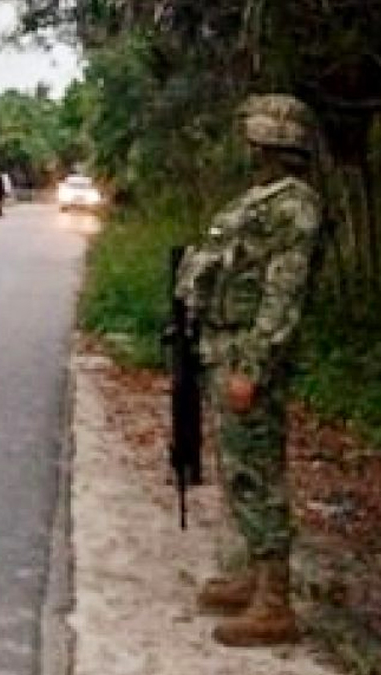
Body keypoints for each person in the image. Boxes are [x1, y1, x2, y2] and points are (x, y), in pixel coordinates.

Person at [176, 94, 322, 648]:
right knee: (239, 468)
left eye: (257, 137)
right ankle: (254, 580)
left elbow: (282, 296)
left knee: (259, 473)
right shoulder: (261, 199)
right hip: (224, 343)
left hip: (247, 353)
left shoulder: (294, 206)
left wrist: (252, 367)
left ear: (276, 142)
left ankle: (275, 603)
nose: (250, 145)